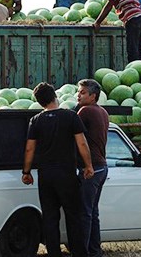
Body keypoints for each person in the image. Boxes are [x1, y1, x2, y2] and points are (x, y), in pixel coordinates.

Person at [22, 82, 94, 257]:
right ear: (55, 96)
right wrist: (88, 165)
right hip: (66, 175)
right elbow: (82, 143)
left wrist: (26, 172)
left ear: (40, 103)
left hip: (45, 176)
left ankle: (54, 253)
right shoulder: (70, 117)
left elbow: (30, 148)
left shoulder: (36, 120)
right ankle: (79, 253)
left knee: (50, 218)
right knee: (73, 216)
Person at [75, 79, 109, 257]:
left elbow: (73, 133)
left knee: (85, 213)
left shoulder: (85, 111)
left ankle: (82, 252)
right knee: (92, 212)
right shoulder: (103, 111)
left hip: (92, 168)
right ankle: (95, 252)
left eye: (82, 92)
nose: (78, 95)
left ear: (93, 96)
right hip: (102, 168)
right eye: (78, 92)